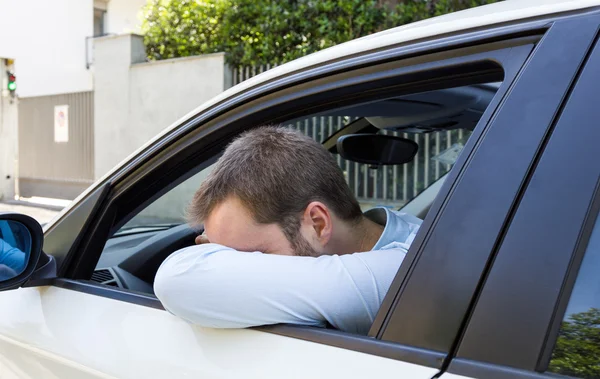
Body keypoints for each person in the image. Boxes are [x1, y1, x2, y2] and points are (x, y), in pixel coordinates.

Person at [154, 126, 422, 335]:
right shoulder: (405, 226)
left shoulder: (404, 274)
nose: (235, 266)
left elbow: (175, 280)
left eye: (249, 256)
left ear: (317, 223)